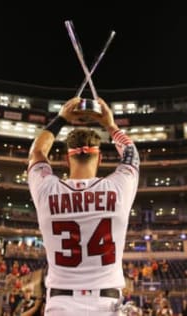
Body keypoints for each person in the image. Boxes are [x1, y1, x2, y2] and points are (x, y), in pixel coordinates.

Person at [28, 97, 140, 315]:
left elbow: (37, 153)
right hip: (107, 305)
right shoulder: (118, 188)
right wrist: (110, 124)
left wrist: (61, 118)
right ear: (99, 160)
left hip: (60, 304)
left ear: (65, 160)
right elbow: (131, 155)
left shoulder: (47, 190)